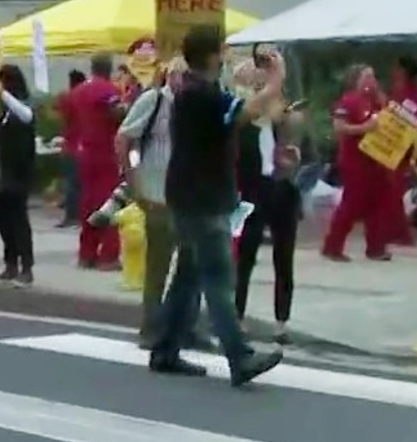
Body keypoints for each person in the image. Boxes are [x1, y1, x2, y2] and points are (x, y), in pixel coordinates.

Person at [149, 27, 284, 386]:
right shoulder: (203, 96)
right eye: (223, 50)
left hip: (189, 194)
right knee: (217, 278)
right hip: (203, 199)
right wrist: (275, 82)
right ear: (213, 56)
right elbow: (246, 114)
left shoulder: (194, 91)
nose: (227, 56)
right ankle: (240, 357)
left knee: (189, 276)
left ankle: (165, 349)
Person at [117, 57, 199, 347]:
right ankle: (151, 327)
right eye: (181, 75)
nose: (185, 82)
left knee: (191, 264)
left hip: (188, 195)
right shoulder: (153, 101)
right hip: (157, 193)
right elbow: (124, 139)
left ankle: (184, 326)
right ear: (169, 74)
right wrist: (134, 182)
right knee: (158, 266)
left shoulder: (194, 106)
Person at [234, 59, 304, 342]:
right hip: (252, 187)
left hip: (281, 185)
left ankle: (282, 320)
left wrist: (292, 151)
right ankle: (236, 314)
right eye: (256, 82)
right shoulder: (243, 115)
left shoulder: (279, 117)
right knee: (246, 254)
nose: (262, 87)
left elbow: (294, 130)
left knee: (284, 256)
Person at [321, 65, 394, 262]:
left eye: (373, 76)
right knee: (352, 204)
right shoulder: (349, 101)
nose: (371, 81)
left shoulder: (376, 101)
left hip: (376, 159)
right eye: (366, 77)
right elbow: (340, 128)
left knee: (378, 204)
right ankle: (333, 246)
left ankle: (376, 247)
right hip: (355, 160)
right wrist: (364, 128)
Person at [66, 58, 124, 268]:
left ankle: (86, 253)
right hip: (104, 151)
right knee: (109, 203)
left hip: (84, 151)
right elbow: (116, 113)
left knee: (87, 203)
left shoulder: (79, 91)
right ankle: (108, 254)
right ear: (108, 69)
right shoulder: (108, 89)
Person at [0, 64, 38, 285]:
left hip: (18, 171)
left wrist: (5, 95)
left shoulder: (23, 105)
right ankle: (10, 263)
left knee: (18, 219)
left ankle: (27, 267)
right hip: (0, 171)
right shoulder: (1, 113)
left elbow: (26, 116)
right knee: (3, 219)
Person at [384, 56, 417, 247]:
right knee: (389, 187)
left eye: (397, 68)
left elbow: (416, 118)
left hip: (402, 145)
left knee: (395, 187)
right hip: (389, 142)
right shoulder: (396, 90)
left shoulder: (412, 93)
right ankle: (393, 229)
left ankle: (401, 232)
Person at [55, 69, 87, 228]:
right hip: (84, 145)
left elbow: (61, 118)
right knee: (81, 183)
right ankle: (80, 215)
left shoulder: (66, 97)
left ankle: (71, 216)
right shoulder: (85, 97)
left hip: (69, 145)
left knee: (70, 183)